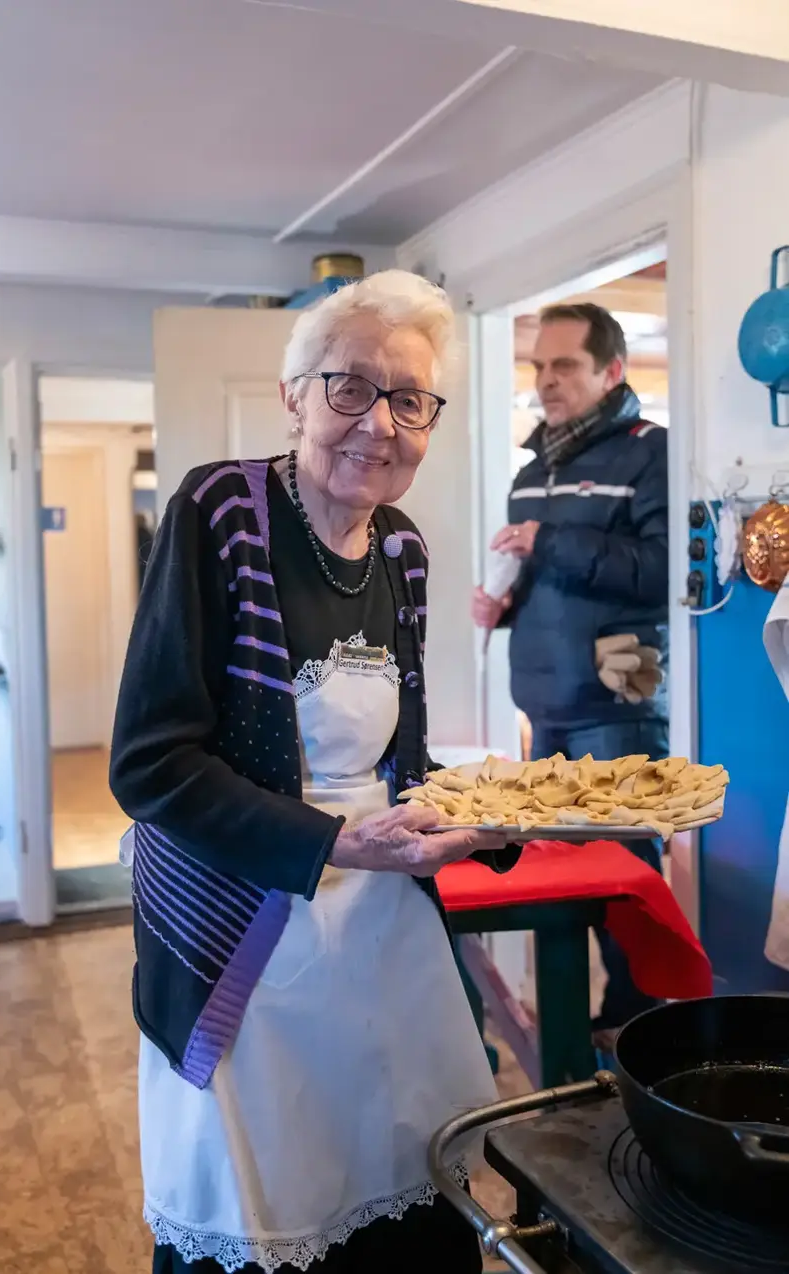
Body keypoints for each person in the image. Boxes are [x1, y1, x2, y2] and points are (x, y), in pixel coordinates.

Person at [111, 270, 507, 1274]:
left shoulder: (404, 550)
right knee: (272, 1215)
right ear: (293, 396)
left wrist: (486, 813)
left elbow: (397, 761)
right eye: (350, 387)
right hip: (243, 943)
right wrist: (332, 840)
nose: (379, 422)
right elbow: (150, 762)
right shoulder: (219, 508)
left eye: (408, 398)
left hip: (382, 939)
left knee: (405, 1193)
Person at [472, 302, 669, 1052]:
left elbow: (655, 575)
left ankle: (647, 1030)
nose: (546, 382)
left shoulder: (650, 454)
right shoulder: (532, 468)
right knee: (564, 879)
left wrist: (549, 542)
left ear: (611, 371)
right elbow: (542, 583)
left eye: (565, 366)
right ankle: (596, 1025)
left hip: (617, 705)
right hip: (545, 704)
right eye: (538, 367)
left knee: (625, 881)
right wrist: (503, 603)